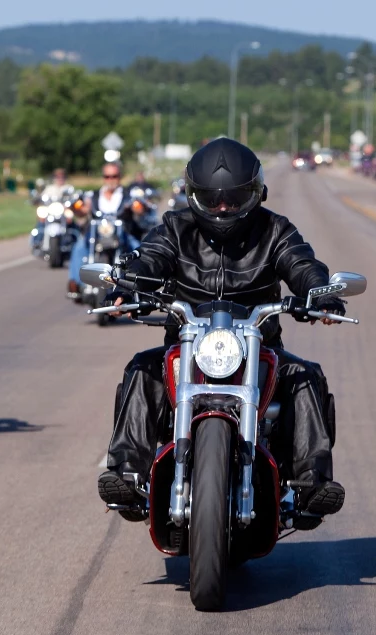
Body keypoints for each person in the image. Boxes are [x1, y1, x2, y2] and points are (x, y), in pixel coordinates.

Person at [96, 138, 348, 520]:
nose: (223, 207)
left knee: (305, 376)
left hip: (260, 350)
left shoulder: (275, 231)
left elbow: (302, 265)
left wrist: (319, 292)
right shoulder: (175, 228)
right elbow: (150, 257)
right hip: (187, 349)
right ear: (194, 195)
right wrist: (130, 283)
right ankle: (128, 474)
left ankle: (311, 483)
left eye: (234, 197)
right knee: (141, 370)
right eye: (212, 199)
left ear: (256, 194)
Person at [67, 161, 140, 296]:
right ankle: (75, 284)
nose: (110, 179)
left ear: (120, 176)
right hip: (97, 233)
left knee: (138, 250)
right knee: (79, 247)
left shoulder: (128, 194)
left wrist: (135, 207)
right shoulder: (94, 195)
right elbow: (83, 210)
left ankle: (140, 286)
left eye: (114, 176)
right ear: (103, 177)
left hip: (121, 233)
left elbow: (140, 209)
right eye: (107, 176)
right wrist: (75, 208)